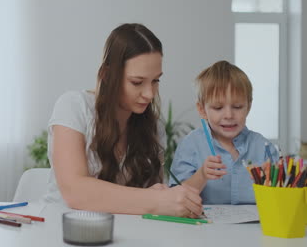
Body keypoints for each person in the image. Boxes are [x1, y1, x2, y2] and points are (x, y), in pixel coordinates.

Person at [45, 23, 203, 217]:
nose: (149, 94)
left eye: (156, 81)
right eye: (137, 82)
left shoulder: (153, 127)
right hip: (60, 230)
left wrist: (162, 198)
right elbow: (75, 191)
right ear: (107, 75)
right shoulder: (73, 106)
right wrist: (155, 200)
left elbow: (150, 198)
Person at [169, 60, 279, 204]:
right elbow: (175, 198)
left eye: (238, 107)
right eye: (218, 107)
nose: (228, 115)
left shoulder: (264, 148)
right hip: (205, 226)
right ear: (202, 110)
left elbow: (282, 194)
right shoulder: (191, 146)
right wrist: (201, 175)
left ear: (248, 107)